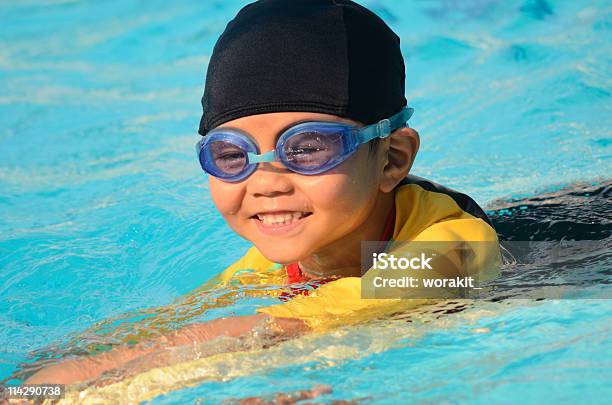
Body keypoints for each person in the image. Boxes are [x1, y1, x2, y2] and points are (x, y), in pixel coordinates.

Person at [26, 0, 499, 385]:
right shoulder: (288, 248)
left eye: (309, 147)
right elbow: (172, 326)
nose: (268, 182)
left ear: (392, 158)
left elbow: (282, 330)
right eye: (232, 155)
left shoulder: (446, 251)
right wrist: (38, 375)